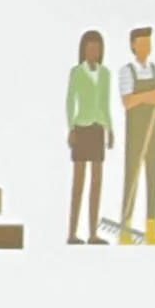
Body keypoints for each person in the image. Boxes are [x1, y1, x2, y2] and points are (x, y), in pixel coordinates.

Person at [117, 29, 155, 243]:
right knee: (132, 175)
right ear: (133, 45)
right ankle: (125, 230)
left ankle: (152, 230)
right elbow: (128, 102)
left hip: (154, 128)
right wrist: (151, 95)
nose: (146, 48)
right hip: (136, 129)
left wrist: (154, 96)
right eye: (142, 43)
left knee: (153, 176)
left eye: (149, 43)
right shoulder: (127, 71)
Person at [66, 31, 112, 242]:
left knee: (96, 182)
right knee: (78, 181)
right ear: (83, 51)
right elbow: (70, 102)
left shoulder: (105, 74)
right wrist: (71, 128)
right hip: (81, 127)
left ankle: (93, 233)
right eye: (89, 49)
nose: (93, 53)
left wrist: (109, 129)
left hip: (97, 128)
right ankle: (72, 232)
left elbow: (104, 103)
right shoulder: (76, 72)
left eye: (97, 49)